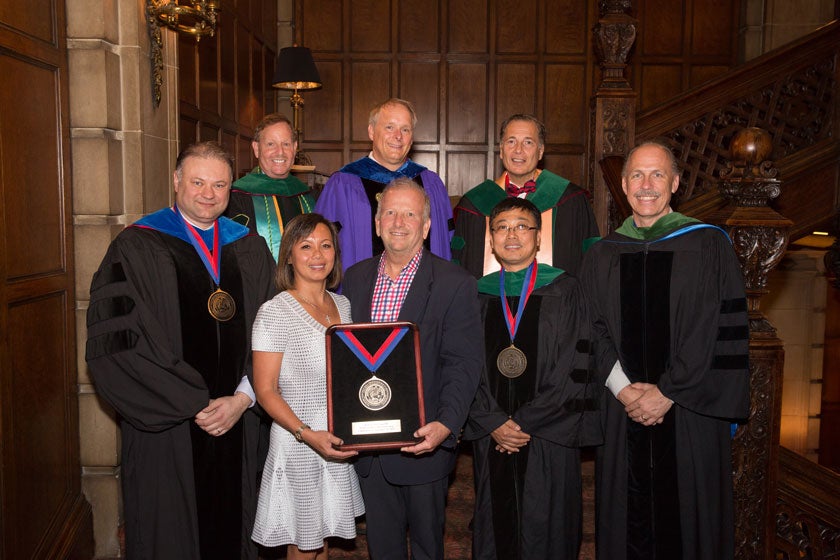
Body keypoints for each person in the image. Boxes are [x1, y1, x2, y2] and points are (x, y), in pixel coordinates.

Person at [85, 141, 276, 560]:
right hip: (170, 424)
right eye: (197, 181)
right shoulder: (135, 247)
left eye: (219, 184)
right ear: (176, 181)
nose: (208, 193)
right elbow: (119, 343)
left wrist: (243, 398)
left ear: (231, 189)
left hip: (238, 420)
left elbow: (272, 336)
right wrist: (196, 403)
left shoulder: (250, 247)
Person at [580, 141, 751, 560]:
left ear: (675, 183)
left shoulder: (709, 246)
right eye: (637, 175)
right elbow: (589, 329)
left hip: (688, 410)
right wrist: (622, 390)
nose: (647, 185)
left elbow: (715, 329)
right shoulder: (602, 253)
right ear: (623, 185)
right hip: (624, 412)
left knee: (689, 523)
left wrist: (667, 391)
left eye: (658, 175)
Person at [341, 177, 484, 559]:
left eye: (410, 214)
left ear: (426, 225)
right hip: (369, 449)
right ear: (376, 223)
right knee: (382, 548)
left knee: (426, 548)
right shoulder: (353, 279)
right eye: (390, 212)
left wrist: (447, 424)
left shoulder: (455, 283)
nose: (398, 222)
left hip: (425, 443)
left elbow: (463, 363)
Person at [463, 197, 602, 559]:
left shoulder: (567, 290)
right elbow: (462, 365)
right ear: (491, 239)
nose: (512, 235)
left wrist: (525, 422)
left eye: (522, 226)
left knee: (548, 522)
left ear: (538, 238)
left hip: (547, 432)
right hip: (491, 432)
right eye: (502, 227)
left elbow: (576, 364)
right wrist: (492, 419)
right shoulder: (474, 293)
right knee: (496, 521)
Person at [250, 213, 364, 559]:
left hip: (334, 439)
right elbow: (265, 390)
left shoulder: (343, 306)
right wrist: (306, 433)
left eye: (326, 245)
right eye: (306, 246)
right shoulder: (274, 312)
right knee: (302, 546)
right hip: (298, 441)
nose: (318, 255)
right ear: (289, 256)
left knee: (323, 539)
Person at [452, 114, 599, 278]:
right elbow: (460, 267)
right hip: (488, 301)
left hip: (555, 300)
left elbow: (591, 263)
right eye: (511, 141)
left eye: (528, 142)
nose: (518, 150)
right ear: (501, 150)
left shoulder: (571, 200)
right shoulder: (475, 203)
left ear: (541, 151)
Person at [314, 98, 453, 269]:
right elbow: (321, 246)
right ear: (371, 131)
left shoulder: (431, 183)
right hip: (363, 292)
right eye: (389, 127)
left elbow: (446, 241)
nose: (398, 136)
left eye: (405, 129)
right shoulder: (342, 185)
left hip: (427, 291)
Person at [227, 113, 315, 261]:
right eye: (270, 144)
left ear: (294, 148)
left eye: (286, 144)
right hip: (259, 281)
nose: (280, 152)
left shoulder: (308, 195)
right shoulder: (237, 197)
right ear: (256, 148)